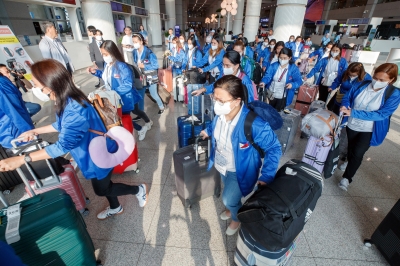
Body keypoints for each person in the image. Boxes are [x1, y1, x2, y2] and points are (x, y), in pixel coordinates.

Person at [0, 59, 148, 219]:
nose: (35, 88)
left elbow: (61, 147)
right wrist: (35, 131)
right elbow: (61, 125)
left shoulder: (74, 108)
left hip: (99, 155)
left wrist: (22, 159)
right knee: (103, 184)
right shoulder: (66, 99)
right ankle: (115, 207)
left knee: (101, 189)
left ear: (49, 84)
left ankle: (138, 190)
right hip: (91, 152)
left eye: (37, 85)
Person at [199, 75, 282, 235]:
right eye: (214, 98)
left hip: (240, 170)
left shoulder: (254, 123)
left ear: (237, 101)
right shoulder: (221, 113)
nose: (216, 104)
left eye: (221, 101)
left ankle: (236, 218)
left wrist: (267, 175)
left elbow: (274, 148)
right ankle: (232, 209)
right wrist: (208, 131)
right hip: (222, 164)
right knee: (229, 193)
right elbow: (214, 124)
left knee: (227, 199)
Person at [338, 63, 400, 191]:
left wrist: (354, 112)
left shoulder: (393, 93)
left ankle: (347, 178)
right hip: (352, 124)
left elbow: (382, 114)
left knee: (358, 152)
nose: (377, 81)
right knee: (351, 147)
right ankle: (349, 161)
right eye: (375, 77)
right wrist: (345, 106)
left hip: (370, 128)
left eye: (381, 80)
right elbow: (347, 97)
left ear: (391, 80)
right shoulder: (362, 84)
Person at [88, 40, 152, 141]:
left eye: (106, 54)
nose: (104, 57)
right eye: (103, 54)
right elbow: (105, 76)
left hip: (123, 98)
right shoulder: (107, 65)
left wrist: (111, 92)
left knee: (123, 118)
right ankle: (138, 130)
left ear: (113, 52)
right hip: (113, 98)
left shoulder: (122, 66)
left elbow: (127, 85)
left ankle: (139, 130)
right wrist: (95, 72)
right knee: (120, 118)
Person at [132, 33, 165, 114]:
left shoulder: (149, 53)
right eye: (133, 42)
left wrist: (144, 66)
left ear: (141, 42)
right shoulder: (134, 52)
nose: (134, 44)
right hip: (142, 76)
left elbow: (156, 65)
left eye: (136, 42)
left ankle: (161, 106)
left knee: (153, 94)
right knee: (141, 95)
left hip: (151, 75)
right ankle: (141, 113)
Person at [0, 73, 34, 148]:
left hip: (17, 135)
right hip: (11, 134)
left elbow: (13, 110)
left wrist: (27, 132)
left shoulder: (1, 85)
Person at [182, 36, 206, 113]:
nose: (189, 45)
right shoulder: (187, 52)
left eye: (190, 43)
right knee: (190, 92)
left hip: (196, 75)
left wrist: (196, 66)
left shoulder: (197, 53)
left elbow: (200, 63)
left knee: (196, 93)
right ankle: (190, 110)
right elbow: (185, 61)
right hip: (189, 74)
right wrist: (183, 67)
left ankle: (196, 112)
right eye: (188, 43)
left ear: (194, 44)